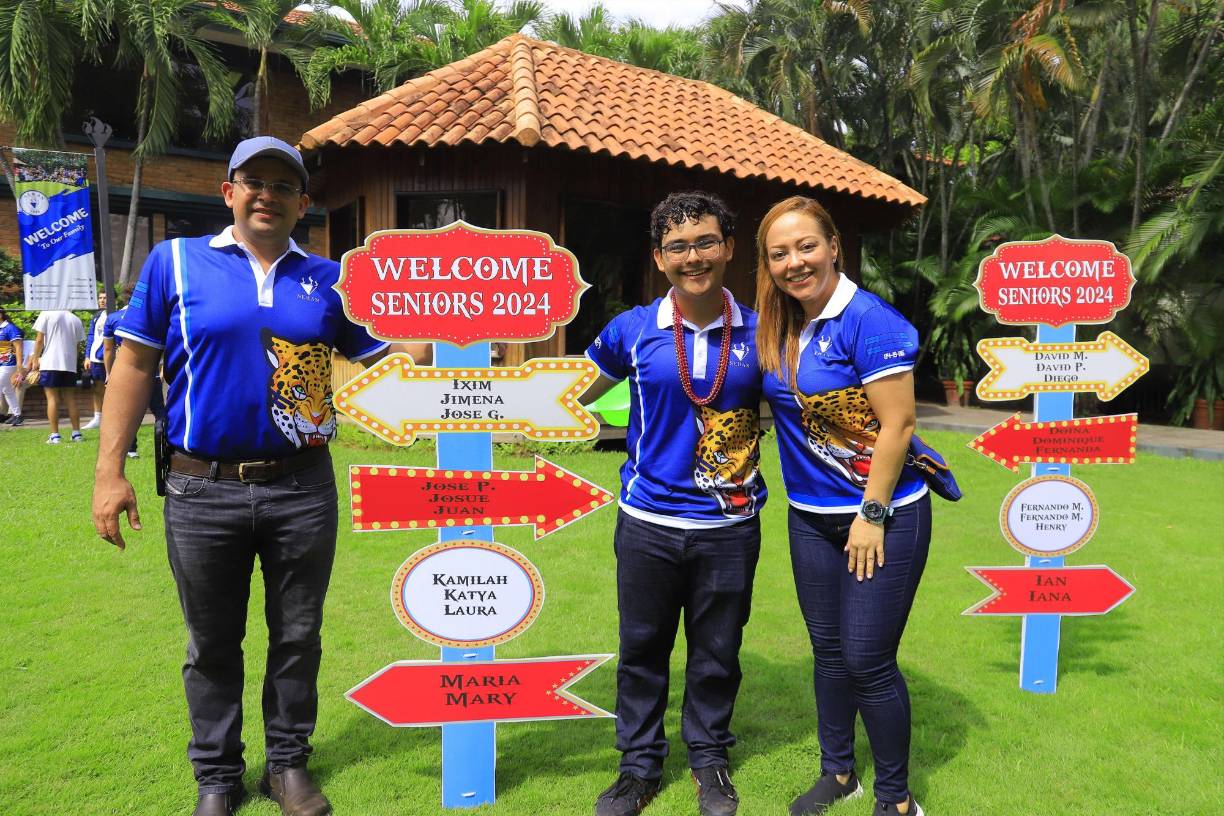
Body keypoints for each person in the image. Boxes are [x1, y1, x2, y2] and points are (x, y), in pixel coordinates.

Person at [90, 137, 407, 816]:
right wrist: (109, 472)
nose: (267, 195)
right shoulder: (175, 261)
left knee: (298, 635)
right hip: (201, 488)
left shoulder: (331, 280)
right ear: (228, 191)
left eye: (283, 185)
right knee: (211, 642)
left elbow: (389, 360)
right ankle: (217, 776)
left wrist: (460, 336)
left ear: (303, 202)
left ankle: (287, 765)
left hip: (303, 488)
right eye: (254, 182)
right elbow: (134, 366)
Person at [582, 191, 766, 816]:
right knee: (642, 650)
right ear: (660, 258)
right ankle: (638, 768)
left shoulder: (764, 333)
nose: (694, 257)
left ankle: (709, 760)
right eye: (678, 247)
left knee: (717, 652)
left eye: (706, 242)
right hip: (648, 522)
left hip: (730, 524)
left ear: (728, 248)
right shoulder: (633, 330)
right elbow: (572, 395)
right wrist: (471, 393)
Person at [757, 196, 939, 816]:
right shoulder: (780, 323)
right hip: (809, 517)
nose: (795, 262)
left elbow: (899, 425)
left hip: (883, 515)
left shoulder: (871, 322)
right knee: (829, 654)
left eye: (807, 246)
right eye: (779, 253)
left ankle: (896, 800)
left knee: (867, 659)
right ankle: (838, 774)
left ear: (834, 246)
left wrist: (872, 515)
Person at [30, 308, 85, 443]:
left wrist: (35, 359)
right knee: (70, 399)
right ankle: (76, 433)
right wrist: (73, 363)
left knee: (52, 399)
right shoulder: (76, 319)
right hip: (69, 364)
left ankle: (55, 435)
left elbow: (39, 340)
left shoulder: (46, 314)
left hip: (50, 363)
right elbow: (77, 346)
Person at [83, 292, 109, 429]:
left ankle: (112, 417)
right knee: (97, 388)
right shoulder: (97, 316)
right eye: (100, 298)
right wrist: (87, 356)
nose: (102, 300)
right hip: (95, 359)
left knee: (112, 388)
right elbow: (91, 336)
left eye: (105, 298)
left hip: (110, 359)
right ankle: (97, 418)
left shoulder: (116, 314)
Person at [0, 307, 23, 425]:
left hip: (9, 363)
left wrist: (19, 366)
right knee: (7, 389)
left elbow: (18, 348)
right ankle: (17, 415)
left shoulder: (10, 328)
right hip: (1, 364)